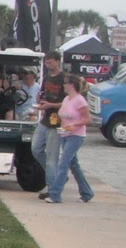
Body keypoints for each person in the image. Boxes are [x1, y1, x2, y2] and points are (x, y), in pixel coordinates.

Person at [42, 73, 94, 205]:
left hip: (76, 136)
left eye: (65, 83)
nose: (63, 85)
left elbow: (88, 120)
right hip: (65, 134)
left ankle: (55, 194)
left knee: (63, 163)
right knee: (74, 165)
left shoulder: (80, 101)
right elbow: (64, 115)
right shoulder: (66, 99)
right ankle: (87, 192)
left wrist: (75, 124)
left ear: (71, 85)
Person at [31, 51, 66, 183]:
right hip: (45, 119)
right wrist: (40, 100)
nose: (47, 64)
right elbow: (43, 94)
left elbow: (68, 103)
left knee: (52, 157)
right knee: (36, 149)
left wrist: (51, 105)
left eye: (50, 62)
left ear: (57, 61)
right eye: (46, 62)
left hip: (57, 121)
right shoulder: (46, 78)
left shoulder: (64, 79)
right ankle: (57, 176)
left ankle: (53, 187)